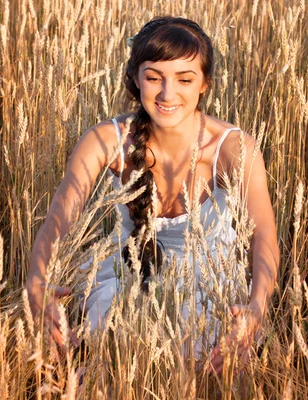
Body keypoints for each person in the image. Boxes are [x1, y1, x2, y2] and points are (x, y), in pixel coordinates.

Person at [26, 16, 279, 374]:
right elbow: (59, 218)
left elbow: (263, 234)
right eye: (154, 77)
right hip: (124, 273)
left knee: (202, 362)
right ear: (135, 78)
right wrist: (37, 281)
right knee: (98, 361)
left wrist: (257, 306)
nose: (167, 94)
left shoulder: (232, 147)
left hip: (208, 283)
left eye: (184, 79)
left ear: (205, 83)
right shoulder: (105, 140)